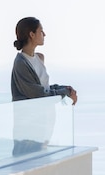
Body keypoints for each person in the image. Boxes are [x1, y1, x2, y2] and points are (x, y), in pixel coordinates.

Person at [11, 17, 77, 156]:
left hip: (45, 123)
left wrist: (67, 89)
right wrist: (65, 92)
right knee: (27, 163)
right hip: (29, 129)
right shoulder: (21, 63)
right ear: (32, 34)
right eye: (41, 31)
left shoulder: (39, 57)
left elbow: (45, 88)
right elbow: (38, 94)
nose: (44, 34)